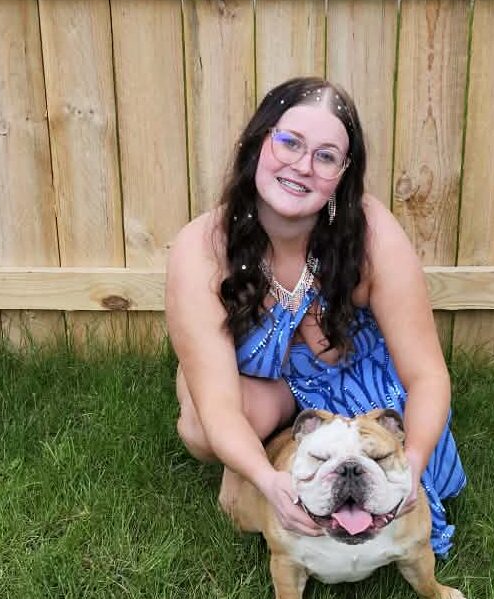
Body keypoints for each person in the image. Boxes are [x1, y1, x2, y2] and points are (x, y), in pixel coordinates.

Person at [165, 76, 465, 556]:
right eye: (289, 142)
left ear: (343, 173)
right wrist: (266, 481)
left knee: (384, 458)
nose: (302, 166)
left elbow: (428, 374)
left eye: (325, 156)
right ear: (257, 142)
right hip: (263, 384)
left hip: (347, 370)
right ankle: (247, 460)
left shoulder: (372, 234)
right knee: (204, 426)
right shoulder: (202, 248)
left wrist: (410, 463)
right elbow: (220, 407)